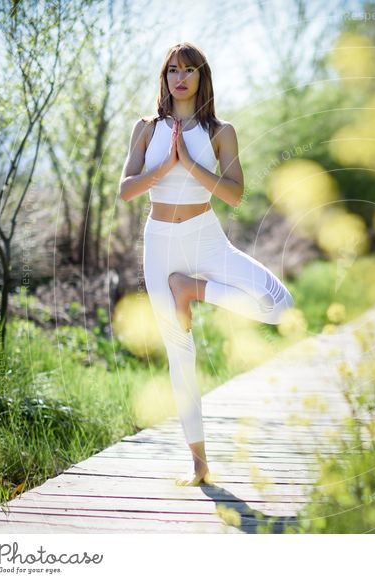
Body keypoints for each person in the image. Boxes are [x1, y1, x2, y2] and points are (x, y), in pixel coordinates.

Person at [118, 42, 294, 487]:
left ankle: (193, 289)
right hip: (160, 244)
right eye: (173, 69)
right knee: (181, 354)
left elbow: (234, 195)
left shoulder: (221, 130)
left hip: (206, 239)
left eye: (189, 70)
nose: (180, 77)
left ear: (202, 77)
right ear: (165, 77)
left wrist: (191, 164)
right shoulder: (145, 128)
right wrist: (162, 171)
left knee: (279, 304)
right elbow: (126, 190)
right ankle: (199, 464)